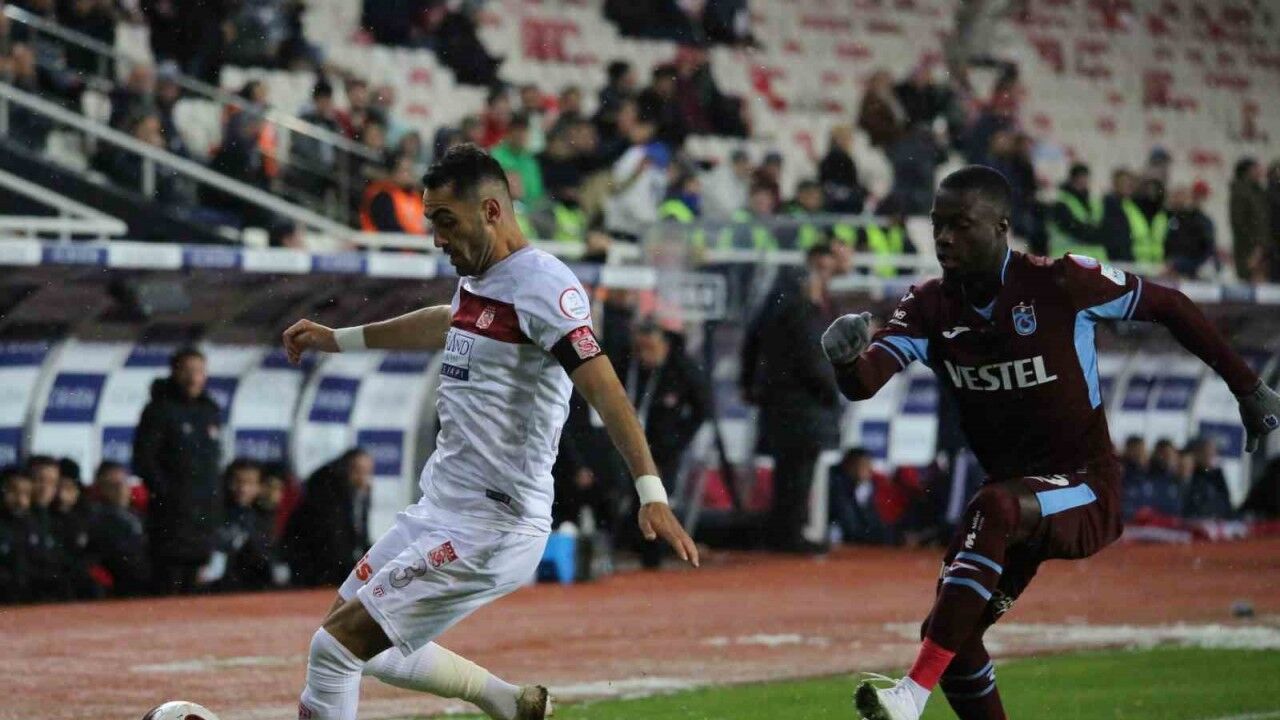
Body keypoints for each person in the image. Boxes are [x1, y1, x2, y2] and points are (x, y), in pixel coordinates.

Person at [821, 165, 1280, 720]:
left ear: (1001, 227)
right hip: (1013, 503)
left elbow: (1171, 306)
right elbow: (865, 382)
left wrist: (1249, 388)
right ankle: (918, 692)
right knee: (952, 638)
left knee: (992, 509)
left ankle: (909, 697)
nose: (943, 238)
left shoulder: (1061, 282)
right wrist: (845, 359)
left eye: (961, 225)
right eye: (938, 224)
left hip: (1087, 489)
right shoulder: (927, 306)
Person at [280, 144, 696, 720]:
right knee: (350, 636)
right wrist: (338, 339)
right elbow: (446, 321)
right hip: (440, 508)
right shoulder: (480, 278)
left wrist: (652, 493)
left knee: (334, 651)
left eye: (446, 221)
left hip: (494, 525)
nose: (437, 238)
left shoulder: (545, 286)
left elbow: (606, 390)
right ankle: (508, 702)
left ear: (492, 210)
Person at [741, 243, 842, 553]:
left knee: (791, 468)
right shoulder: (801, 308)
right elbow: (811, 358)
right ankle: (790, 534)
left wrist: (749, 382)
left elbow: (754, 340)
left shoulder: (789, 303)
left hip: (789, 400)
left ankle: (785, 532)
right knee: (797, 469)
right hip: (801, 402)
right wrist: (832, 389)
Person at [132, 347, 224, 595]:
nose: (193, 378)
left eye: (199, 371)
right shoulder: (159, 410)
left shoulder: (210, 410)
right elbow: (144, 460)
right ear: (174, 372)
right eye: (187, 371)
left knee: (196, 589)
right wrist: (169, 495)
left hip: (204, 517)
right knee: (168, 585)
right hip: (171, 518)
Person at [622, 319, 711, 568]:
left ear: (663, 344)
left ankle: (654, 555)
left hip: (663, 449)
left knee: (659, 498)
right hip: (630, 445)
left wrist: (676, 440)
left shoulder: (681, 368)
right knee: (631, 497)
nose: (644, 356)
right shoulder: (631, 366)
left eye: (650, 349)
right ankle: (634, 547)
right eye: (640, 349)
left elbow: (703, 407)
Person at [283, 449, 372, 588]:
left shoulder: (360, 491)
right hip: (312, 562)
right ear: (346, 469)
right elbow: (332, 536)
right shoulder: (327, 489)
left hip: (331, 562)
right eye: (358, 471)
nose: (363, 478)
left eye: (367, 472)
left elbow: (359, 532)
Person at [85, 461, 150, 597]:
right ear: (101, 488)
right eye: (113, 485)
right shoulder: (95, 519)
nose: (120, 489)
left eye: (123, 483)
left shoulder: (139, 516)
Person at [829, 448, 891, 545]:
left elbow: (874, 522)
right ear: (850, 466)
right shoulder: (837, 487)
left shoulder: (865, 487)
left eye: (869, 465)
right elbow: (851, 528)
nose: (870, 470)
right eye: (865, 465)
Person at [1229, 157, 1272, 282]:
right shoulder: (1242, 193)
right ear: (1247, 171)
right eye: (1256, 168)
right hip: (1249, 249)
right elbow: (1241, 225)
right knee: (1251, 281)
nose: (1260, 171)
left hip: (1260, 247)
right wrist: (1256, 250)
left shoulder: (1258, 192)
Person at [1048, 163, 1104, 258]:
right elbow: (1074, 229)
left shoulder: (1094, 202)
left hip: (1091, 257)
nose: (1083, 182)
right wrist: (1098, 235)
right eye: (1080, 178)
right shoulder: (1061, 202)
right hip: (1068, 257)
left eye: (1085, 178)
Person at [359, 155, 427, 234]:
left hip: (416, 240)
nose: (409, 175)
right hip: (387, 240)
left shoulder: (415, 195)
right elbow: (390, 229)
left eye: (410, 170)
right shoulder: (382, 198)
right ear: (393, 173)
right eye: (404, 171)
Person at [1180, 437, 1233, 520]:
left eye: (1212, 453)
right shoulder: (1190, 475)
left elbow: (1226, 504)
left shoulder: (1217, 476)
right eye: (1206, 453)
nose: (1211, 456)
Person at [820, 125, 868, 215]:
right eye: (844, 138)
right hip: (840, 200)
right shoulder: (837, 157)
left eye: (848, 138)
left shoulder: (845, 156)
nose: (849, 141)